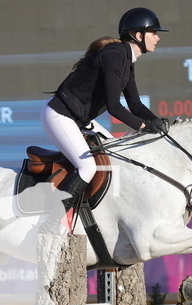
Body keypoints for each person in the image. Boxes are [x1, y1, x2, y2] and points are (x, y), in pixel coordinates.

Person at [41, 7, 171, 214]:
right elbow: (114, 107)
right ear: (138, 35)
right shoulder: (115, 56)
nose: (157, 38)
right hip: (60, 116)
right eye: (154, 33)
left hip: (78, 120)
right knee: (88, 168)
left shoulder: (127, 60)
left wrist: (159, 122)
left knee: (115, 156)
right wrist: (145, 126)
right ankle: (52, 220)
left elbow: (135, 104)